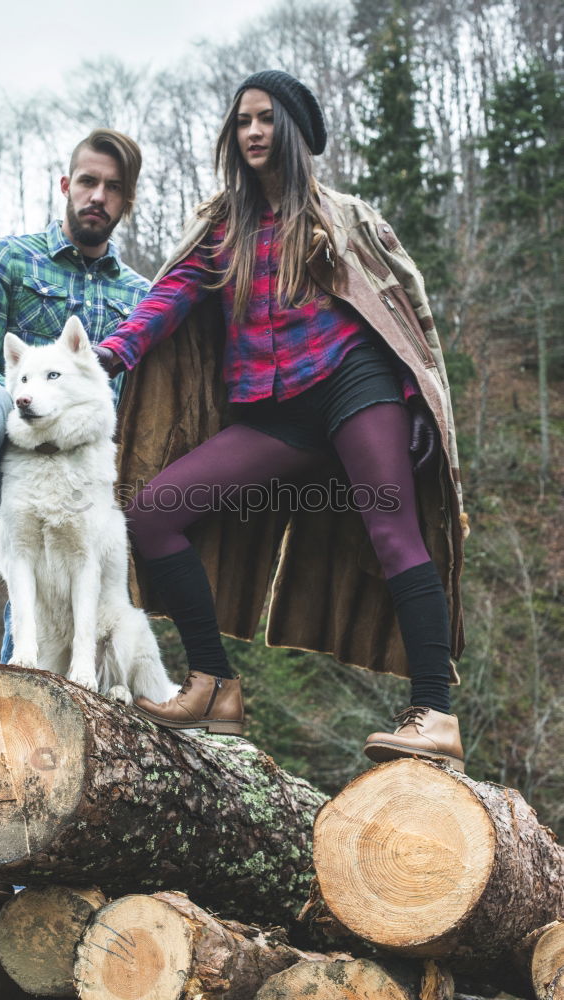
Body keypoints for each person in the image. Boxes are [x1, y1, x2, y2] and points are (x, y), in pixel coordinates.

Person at [93, 70, 469, 769]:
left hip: (355, 385)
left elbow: (402, 312)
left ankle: (434, 715)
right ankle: (215, 684)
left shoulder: (342, 215)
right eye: (242, 121)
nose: (253, 132)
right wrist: (113, 352)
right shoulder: (222, 227)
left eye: (265, 118)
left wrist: (415, 402)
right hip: (276, 412)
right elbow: (168, 297)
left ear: (290, 129)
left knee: (393, 531)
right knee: (153, 513)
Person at [0, 128, 149, 675]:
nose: (98, 196)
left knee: (59, 585)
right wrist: (27, 412)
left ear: (127, 201)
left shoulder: (141, 296)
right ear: (67, 185)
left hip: (85, 463)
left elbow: (141, 399)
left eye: (112, 188)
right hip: (10, 446)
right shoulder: (7, 259)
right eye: (88, 181)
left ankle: (27, 689)